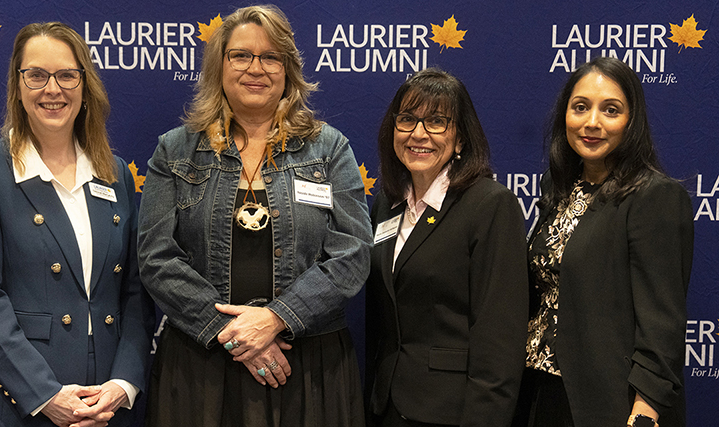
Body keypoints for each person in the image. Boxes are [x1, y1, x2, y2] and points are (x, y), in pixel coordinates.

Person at [137, 5, 372, 427]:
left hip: (308, 366)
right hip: (201, 365)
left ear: (288, 69)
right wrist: (236, 335)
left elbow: (352, 254)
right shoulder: (174, 151)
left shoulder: (330, 149)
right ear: (219, 66)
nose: (255, 68)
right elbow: (156, 258)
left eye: (270, 57)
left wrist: (277, 318)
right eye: (241, 55)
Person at [0, 22, 154, 427]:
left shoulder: (113, 173)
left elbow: (135, 289)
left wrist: (124, 383)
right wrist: (44, 394)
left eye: (66, 75)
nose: (53, 89)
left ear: (85, 83)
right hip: (18, 401)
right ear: (18, 84)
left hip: (106, 404)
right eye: (37, 75)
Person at [514, 57, 693, 427]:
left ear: (632, 122)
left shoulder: (653, 197)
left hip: (609, 401)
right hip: (539, 390)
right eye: (580, 108)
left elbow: (662, 325)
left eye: (610, 110)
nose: (592, 123)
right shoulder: (558, 188)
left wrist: (645, 411)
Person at [365, 68, 529, 427]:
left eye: (437, 121)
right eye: (407, 119)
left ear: (460, 139)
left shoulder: (490, 206)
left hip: (453, 411)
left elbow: (500, 341)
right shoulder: (386, 204)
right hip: (388, 406)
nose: (418, 133)